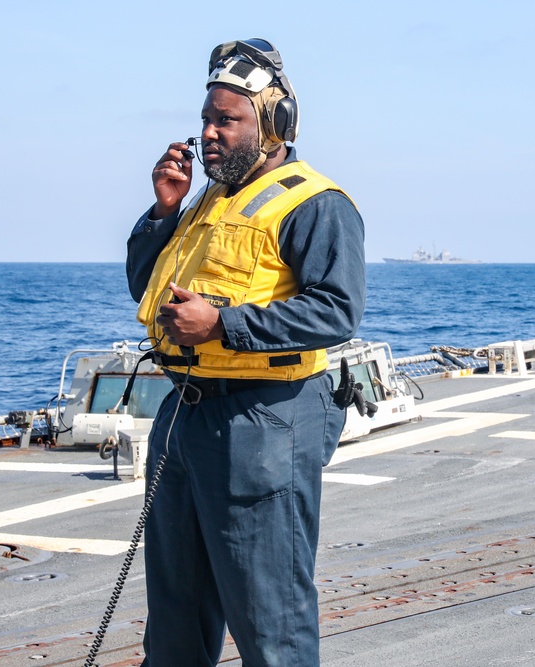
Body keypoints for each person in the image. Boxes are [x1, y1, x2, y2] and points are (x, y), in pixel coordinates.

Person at [125, 38, 366, 666]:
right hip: (184, 415)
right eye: (206, 119)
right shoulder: (204, 202)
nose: (208, 134)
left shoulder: (316, 204)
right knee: (175, 615)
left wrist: (223, 326)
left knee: (269, 619)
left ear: (274, 125)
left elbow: (337, 311)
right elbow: (144, 289)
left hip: (263, 422)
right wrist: (163, 209)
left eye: (225, 120)